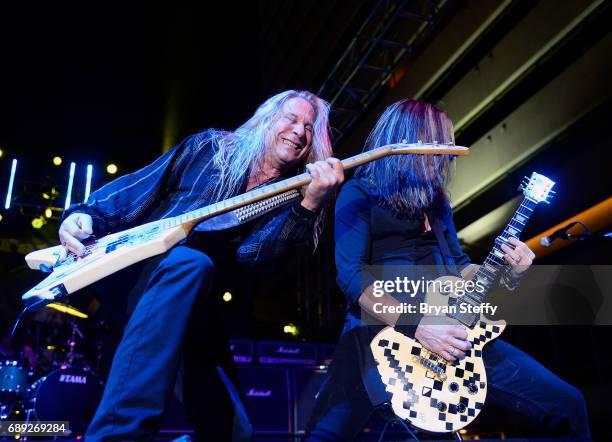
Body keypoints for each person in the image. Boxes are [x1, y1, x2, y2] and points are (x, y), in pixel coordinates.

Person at [57, 90, 344, 441]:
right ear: (267, 120)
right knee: (189, 261)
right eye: (291, 119)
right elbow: (139, 187)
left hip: (194, 305)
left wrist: (309, 205)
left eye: (309, 127)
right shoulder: (209, 149)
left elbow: (253, 259)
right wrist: (84, 213)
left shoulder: (293, 195)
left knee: (233, 433)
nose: (300, 131)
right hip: (138, 275)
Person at [305, 100, 590, 440]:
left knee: (569, 404)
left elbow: (459, 268)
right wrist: (420, 327)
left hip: (451, 334)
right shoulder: (359, 192)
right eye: (440, 144)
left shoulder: (436, 200)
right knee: (325, 436)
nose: (448, 155)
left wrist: (508, 271)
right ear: (411, 141)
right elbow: (351, 277)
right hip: (379, 336)